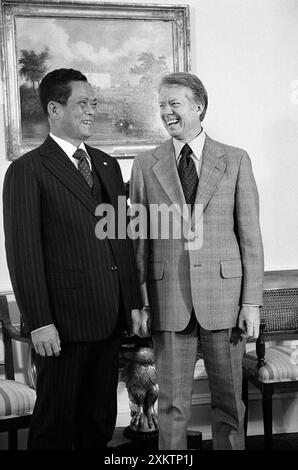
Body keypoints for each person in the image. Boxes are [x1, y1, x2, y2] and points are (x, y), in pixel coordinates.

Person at [3, 68, 142, 450]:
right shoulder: (27, 170)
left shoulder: (108, 165)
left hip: (110, 319)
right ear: (54, 108)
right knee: (56, 426)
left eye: (94, 103)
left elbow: (120, 239)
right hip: (61, 326)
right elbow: (23, 253)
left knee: (99, 421)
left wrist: (133, 304)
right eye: (83, 103)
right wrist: (40, 322)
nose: (91, 111)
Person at [130, 72, 264, 450]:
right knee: (171, 406)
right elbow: (139, 240)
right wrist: (140, 302)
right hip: (167, 298)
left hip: (225, 300)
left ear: (198, 106)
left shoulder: (236, 160)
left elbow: (250, 237)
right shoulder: (145, 164)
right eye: (161, 106)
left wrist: (251, 302)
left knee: (228, 405)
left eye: (174, 104)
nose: (166, 112)